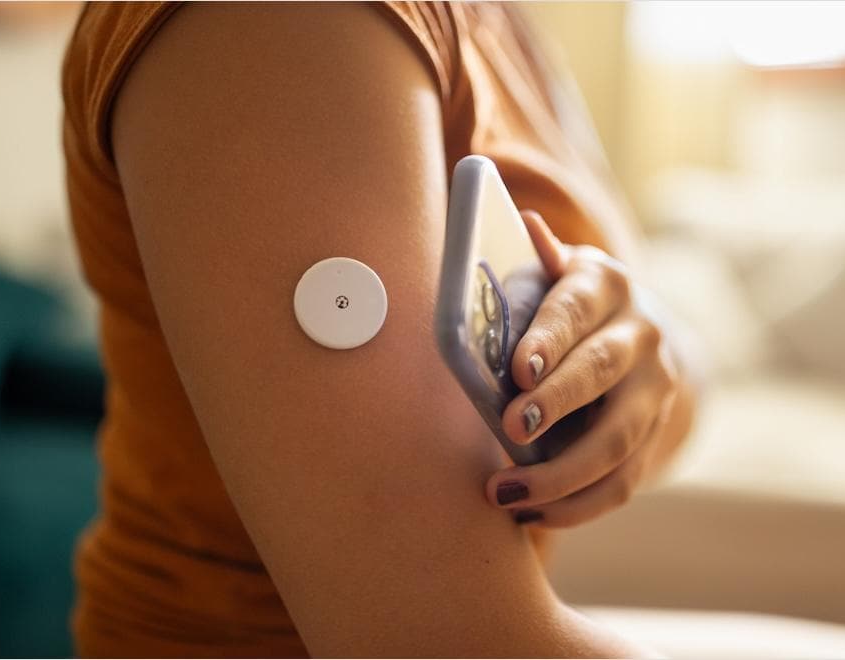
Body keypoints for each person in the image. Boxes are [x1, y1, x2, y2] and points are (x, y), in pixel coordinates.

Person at [62, 2, 699, 656]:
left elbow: (677, 377)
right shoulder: (279, 25)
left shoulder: (510, 25)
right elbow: (448, 640)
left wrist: (638, 356)